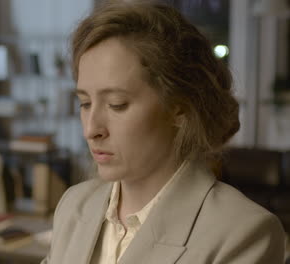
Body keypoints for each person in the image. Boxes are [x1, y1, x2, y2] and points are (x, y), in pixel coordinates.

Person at [42, 2, 286, 264]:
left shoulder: (243, 233)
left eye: (117, 104)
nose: (91, 130)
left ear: (178, 109)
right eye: (85, 103)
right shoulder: (74, 204)